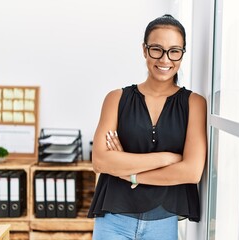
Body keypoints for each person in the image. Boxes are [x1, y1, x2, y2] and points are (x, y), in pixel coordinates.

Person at [88, 14, 207, 240]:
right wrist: (167, 158)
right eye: (156, 49)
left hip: (162, 222)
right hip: (114, 218)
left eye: (174, 51)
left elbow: (191, 172)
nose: (165, 59)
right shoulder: (116, 98)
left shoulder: (194, 104)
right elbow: (101, 161)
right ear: (144, 50)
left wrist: (129, 173)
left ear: (182, 54)